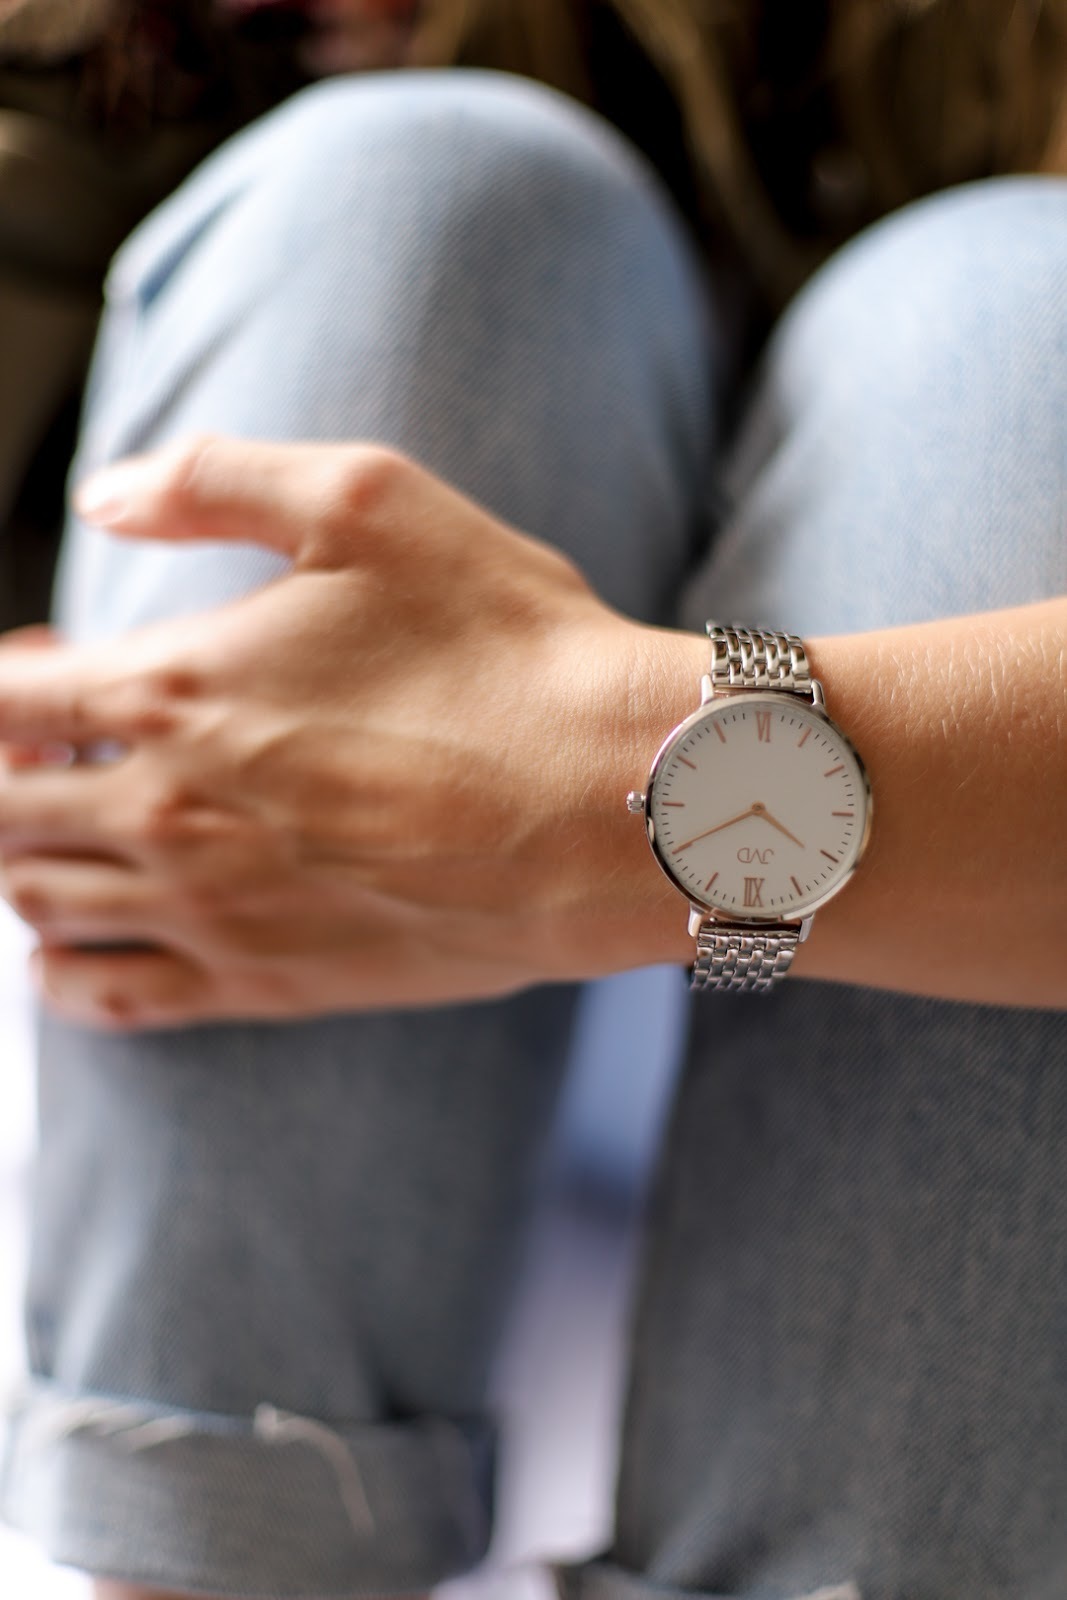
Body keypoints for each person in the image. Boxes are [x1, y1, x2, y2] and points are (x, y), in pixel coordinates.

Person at [0, 3, 1065, 1598]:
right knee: (419, 196)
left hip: (938, 937)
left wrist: (598, 797)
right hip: (335, 937)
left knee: (1017, 330)